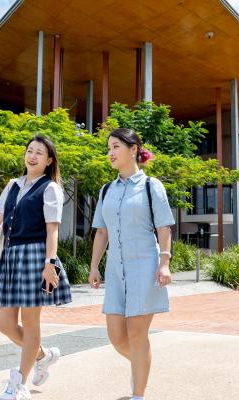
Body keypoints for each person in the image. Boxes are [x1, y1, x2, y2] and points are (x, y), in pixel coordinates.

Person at [88, 128, 175, 400]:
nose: (110, 153)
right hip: (115, 270)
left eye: (115, 146)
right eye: (108, 148)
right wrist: (93, 266)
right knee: (117, 337)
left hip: (145, 266)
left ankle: (138, 394)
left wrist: (164, 263)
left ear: (134, 149)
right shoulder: (106, 190)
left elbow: (164, 228)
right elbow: (101, 232)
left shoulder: (152, 186)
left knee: (137, 334)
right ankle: (142, 363)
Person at [0, 135, 72, 400]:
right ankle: (43, 356)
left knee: (30, 323)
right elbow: (0, 224)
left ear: (49, 160)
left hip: (36, 255)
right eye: (29, 151)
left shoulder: (50, 188)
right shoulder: (12, 185)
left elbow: (52, 229)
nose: (32, 156)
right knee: (5, 324)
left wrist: (50, 263)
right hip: (10, 257)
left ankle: (19, 385)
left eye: (39, 153)